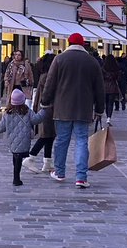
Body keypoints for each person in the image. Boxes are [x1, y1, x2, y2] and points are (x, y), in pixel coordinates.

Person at [41, 32, 105, 187]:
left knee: (62, 140)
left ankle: (60, 172)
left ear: (69, 43)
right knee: (82, 141)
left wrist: (45, 101)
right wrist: (99, 109)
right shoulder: (92, 62)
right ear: (83, 44)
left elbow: (50, 83)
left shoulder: (59, 59)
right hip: (84, 108)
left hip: (62, 108)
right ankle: (81, 177)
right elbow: (99, 87)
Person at [0, 87, 47, 186]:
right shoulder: (27, 111)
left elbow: (1, 126)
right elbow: (36, 119)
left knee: (15, 157)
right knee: (19, 159)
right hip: (24, 140)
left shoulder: (7, 113)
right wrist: (44, 111)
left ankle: (16, 177)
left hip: (12, 140)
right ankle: (16, 179)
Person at [23, 52, 56, 173]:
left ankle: (47, 162)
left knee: (49, 135)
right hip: (47, 109)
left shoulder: (44, 75)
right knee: (45, 135)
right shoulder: (48, 76)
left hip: (44, 108)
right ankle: (30, 157)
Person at [102, 54, 121, 121]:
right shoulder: (116, 68)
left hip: (105, 87)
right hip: (113, 87)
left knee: (106, 103)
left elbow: (101, 77)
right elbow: (118, 78)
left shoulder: (103, 68)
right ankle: (109, 117)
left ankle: (107, 115)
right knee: (111, 103)